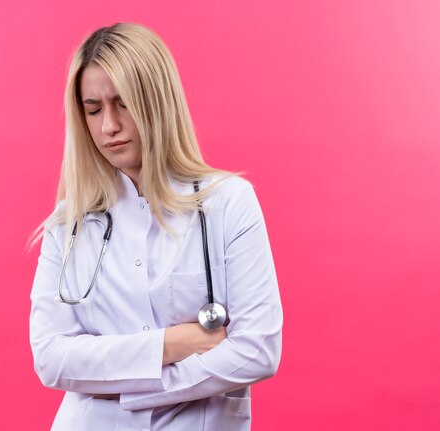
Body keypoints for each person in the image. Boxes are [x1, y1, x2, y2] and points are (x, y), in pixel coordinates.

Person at [29, 22, 283, 431]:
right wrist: (172, 345)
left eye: (122, 103)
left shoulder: (228, 203)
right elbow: (52, 358)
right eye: (93, 110)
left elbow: (257, 351)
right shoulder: (70, 223)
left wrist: (132, 387)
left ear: (157, 101)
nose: (108, 125)